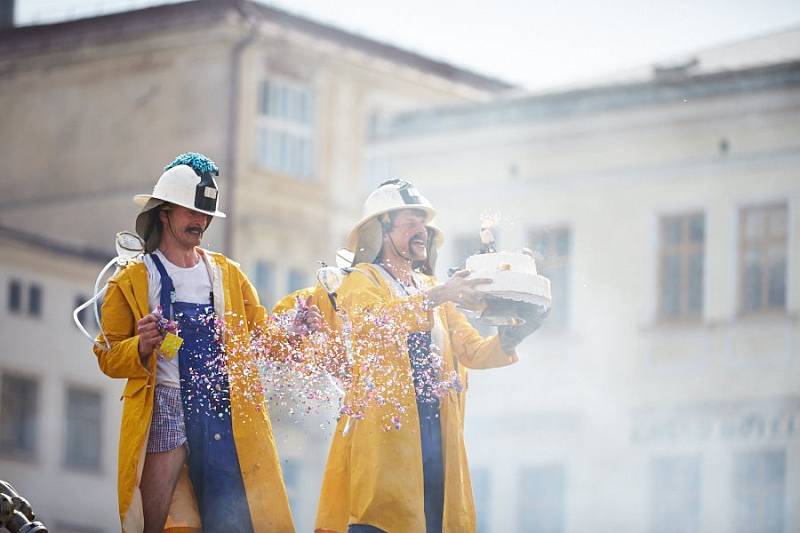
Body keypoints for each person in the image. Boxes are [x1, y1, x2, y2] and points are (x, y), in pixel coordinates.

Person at [95, 152, 321, 533]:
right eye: (191, 212)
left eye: (206, 215)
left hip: (220, 406)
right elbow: (107, 356)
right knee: (153, 522)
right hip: (165, 405)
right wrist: (142, 346)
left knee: (229, 520)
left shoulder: (227, 274)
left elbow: (261, 337)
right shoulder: (134, 278)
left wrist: (295, 330)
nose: (200, 222)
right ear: (164, 212)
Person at [314, 179, 546, 533]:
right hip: (384, 450)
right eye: (410, 222)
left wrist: (512, 337)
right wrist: (438, 296)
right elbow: (372, 323)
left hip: (436, 442)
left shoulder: (429, 288)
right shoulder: (362, 279)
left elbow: (473, 351)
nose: (421, 230)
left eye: (423, 223)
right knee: (383, 521)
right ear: (381, 232)